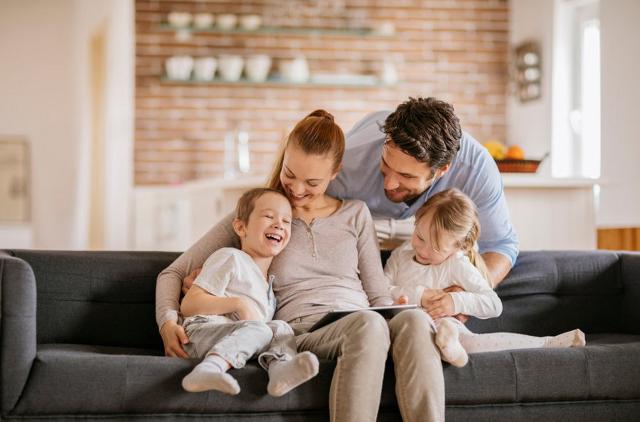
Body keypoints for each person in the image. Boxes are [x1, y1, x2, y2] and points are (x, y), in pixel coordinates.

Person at [157, 110, 445, 421]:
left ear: (335, 173)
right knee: (369, 325)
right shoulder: (264, 215)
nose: (295, 190)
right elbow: (172, 272)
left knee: (414, 320)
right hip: (305, 328)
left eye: (312, 182)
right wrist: (167, 322)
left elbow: (377, 294)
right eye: (289, 174)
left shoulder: (355, 214)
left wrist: (396, 306)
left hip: (362, 315)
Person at [327, 96, 518, 287]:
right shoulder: (345, 161)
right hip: (361, 217)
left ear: (442, 170)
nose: (389, 184)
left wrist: (467, 294)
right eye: (386, 164)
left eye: (406, 176)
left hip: (424, 228)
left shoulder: (476, 169)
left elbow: (500, 245)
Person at [385, 188, 585, 367]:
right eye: (419, 236)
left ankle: (547, 343)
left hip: (442, 326)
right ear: (416, 221)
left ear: (458, 247)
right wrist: (418, 295)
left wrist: (455, 302)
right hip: (405, 328)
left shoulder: (456, 263)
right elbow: (379, 290)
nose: (422, 248)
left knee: (467, 339)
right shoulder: (401, 255)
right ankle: (451, 349)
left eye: (436, 248)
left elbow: (493, 304)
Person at [180, 187, 319, 396]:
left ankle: (279, 370)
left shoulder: (269, 289)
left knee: (281, 327)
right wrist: (238, 304)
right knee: (262, 330)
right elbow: (189, 305)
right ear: (240, 227)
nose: (278, 224)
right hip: (201, 333)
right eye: (269, 216)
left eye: (286, 221)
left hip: (237, 339)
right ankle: (209, 367)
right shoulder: (230, 258)